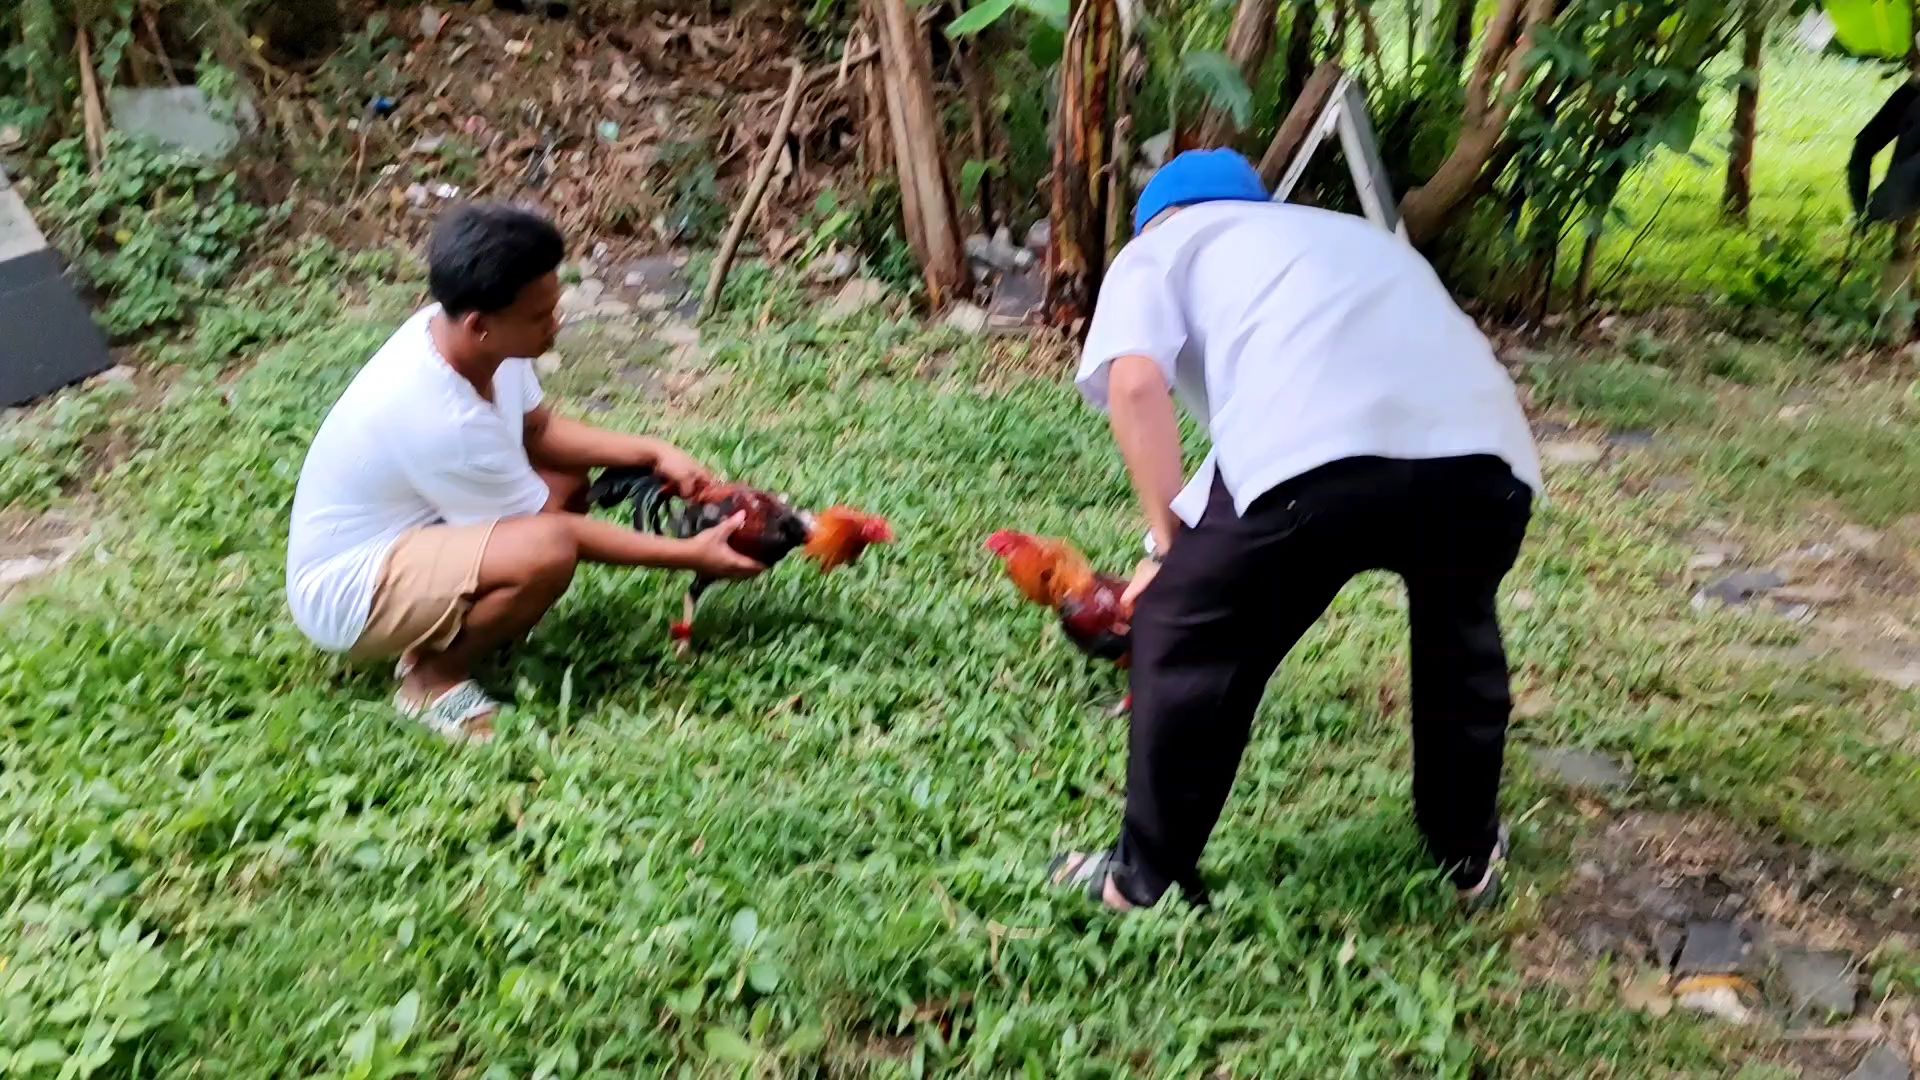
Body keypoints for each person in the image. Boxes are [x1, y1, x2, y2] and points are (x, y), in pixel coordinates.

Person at [1049, 150, 1542, 913]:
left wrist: (1168, 551)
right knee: (1458, 638)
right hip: (1487, 457)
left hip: (1312, 454)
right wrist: (1186, 542)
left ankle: (1139, 882)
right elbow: (1273, 432)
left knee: (1187, 633)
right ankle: (1468, 856)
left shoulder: (1162, 246)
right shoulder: (1345, 240)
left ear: (1157, 219)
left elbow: (1136, 383)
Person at [286, 204, 764, 743]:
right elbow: (560, 535)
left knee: (565, 480)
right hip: (348, 591)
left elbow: (539, 430)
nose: (555, 323)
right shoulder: (441, 416)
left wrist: (653, 453)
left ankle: (469, 623)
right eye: (540, 316)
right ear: (480, 326)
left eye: (553, 307)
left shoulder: (463, 333)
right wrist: (690, 555)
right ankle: (430, 679)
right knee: (547, 552)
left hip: (408, 530)